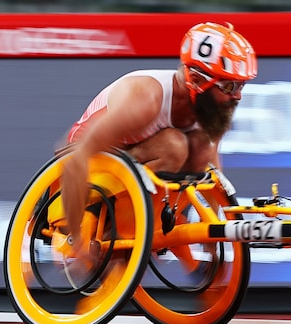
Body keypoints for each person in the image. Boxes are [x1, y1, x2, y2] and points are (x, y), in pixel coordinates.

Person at [60, 21, 257, 263]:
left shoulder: (210, 108)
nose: (237, 95)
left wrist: (212, 241)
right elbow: (76, 159)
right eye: (228, 86)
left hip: (133, 163)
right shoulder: (145, 99)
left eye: (241, 85)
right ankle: (122, 231)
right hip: (85, 161)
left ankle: (151, 224)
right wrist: (76, 238)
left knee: (202, 147)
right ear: (195, 80)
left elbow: (213, 174)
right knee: (173, 146)